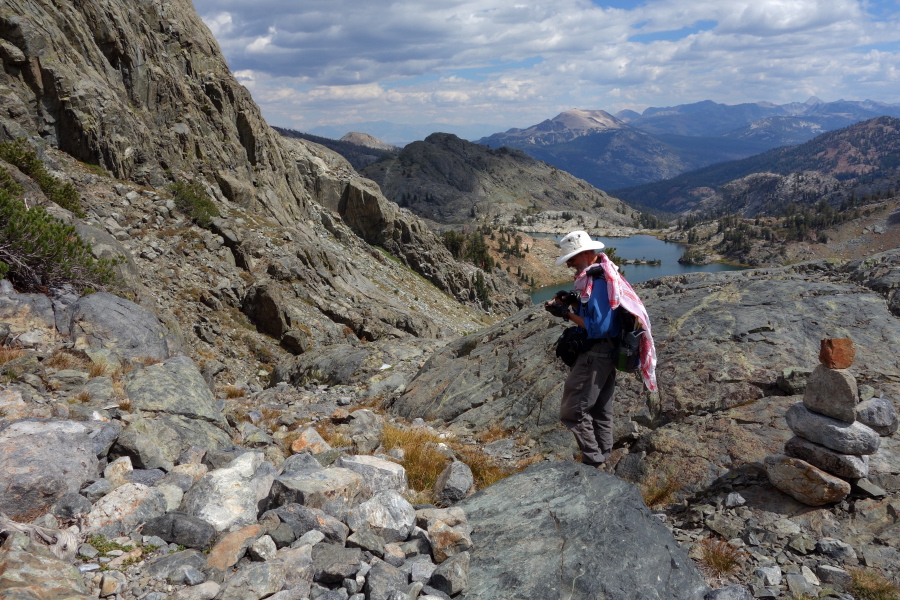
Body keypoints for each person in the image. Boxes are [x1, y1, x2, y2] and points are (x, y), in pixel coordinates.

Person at [544, 230, 658, 468]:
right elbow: (596, 312)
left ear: (586, 254)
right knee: (599, 409)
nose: (569, 266)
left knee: (573, 411)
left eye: (572, 260)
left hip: (595, 355)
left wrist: (566, 314)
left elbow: (598, 327)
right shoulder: (602, 276)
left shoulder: (597, 282)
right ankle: (603, 455)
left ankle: (593, 461)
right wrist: (572, 302)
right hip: (609, 352)